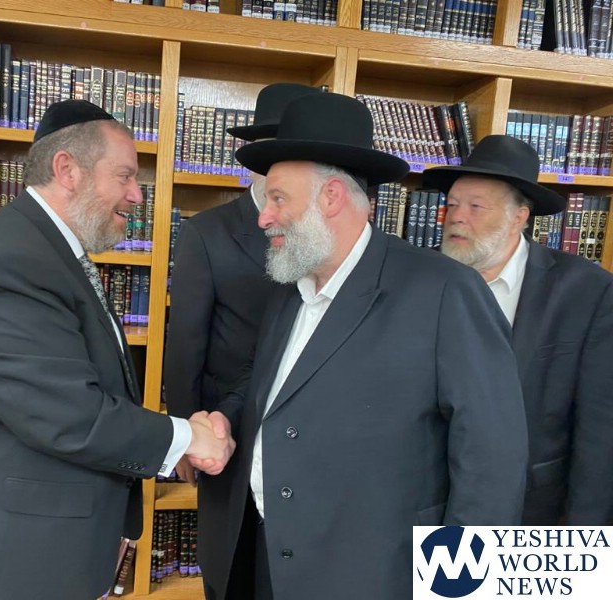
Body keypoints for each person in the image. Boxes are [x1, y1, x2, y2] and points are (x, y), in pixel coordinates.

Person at [0, 100, 234, 600]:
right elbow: (65, 412)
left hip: (16, 546)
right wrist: (186, 438)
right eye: (124, 176)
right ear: (68, 170)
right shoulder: (10, 260)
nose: (136, 195)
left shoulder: (44, 249)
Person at [190, 93, 529, 600]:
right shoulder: (288, 288)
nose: (263, 217)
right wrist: (226, 416)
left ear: (331, 197)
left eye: (278, 199)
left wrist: (456, 588)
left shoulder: (443, 290)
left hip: (377, 575)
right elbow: (271, 386)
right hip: (268, 563)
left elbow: (492, 462)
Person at [423, 134, 613, 525]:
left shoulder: (586, 291)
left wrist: (584, 537)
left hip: (530, 512)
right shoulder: (418, 279)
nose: (457, 217)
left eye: (476, 206)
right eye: (452, 204)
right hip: (428, 505)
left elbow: (599, 432)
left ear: (518, 217)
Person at [164, 82, 322, 489]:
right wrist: (185, 434)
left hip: (310, 430)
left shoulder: (324, 231)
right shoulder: (207, 232)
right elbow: (185, 343)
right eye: (275, 151)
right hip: (227, 426)